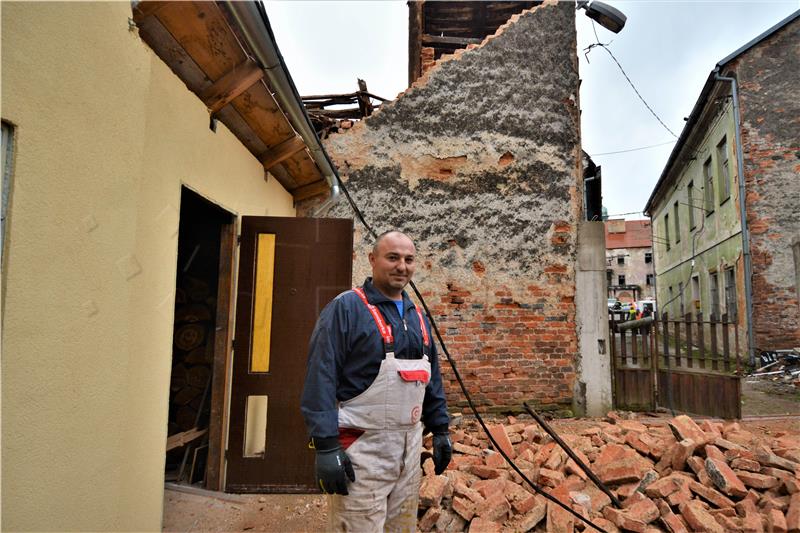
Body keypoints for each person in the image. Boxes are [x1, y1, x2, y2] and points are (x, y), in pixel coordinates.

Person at [300, 230, 451, 532]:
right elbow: (321, 376)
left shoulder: (417, 316)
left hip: (408, 452)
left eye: (409, 260)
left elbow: (430, 379)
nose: (402, 266)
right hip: (361, 451)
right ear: (372, 259)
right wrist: (326, 447)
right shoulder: (346, 309)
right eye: (392, 257)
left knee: (401, 528)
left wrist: (441, 428)